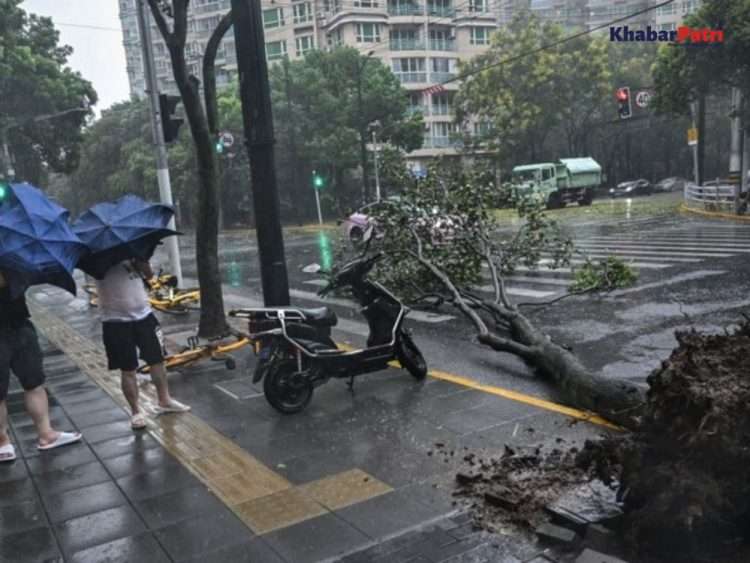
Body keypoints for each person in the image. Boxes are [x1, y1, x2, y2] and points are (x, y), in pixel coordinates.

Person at [96, 257, 189, 429]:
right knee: (128, 368)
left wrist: (140, 262)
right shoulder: (97, 258)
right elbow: (98, 273)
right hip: (115, 322)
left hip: (145, 316)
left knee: (157, 360)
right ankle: (136, 412)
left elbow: (149, 274)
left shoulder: (133, 250)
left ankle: (164, 400)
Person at [0, 270, 81, 462]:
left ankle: (46, 433)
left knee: (35, 383)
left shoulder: (11, 256)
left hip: (20, 325)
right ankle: (2, 441)